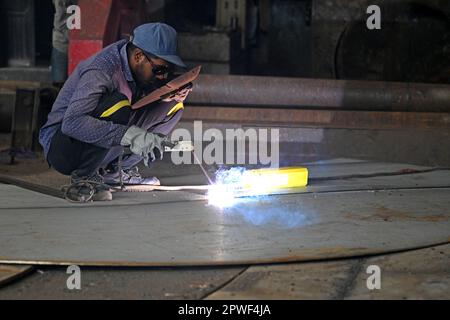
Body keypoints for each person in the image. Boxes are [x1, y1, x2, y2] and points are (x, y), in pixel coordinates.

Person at [39, 23, 192, 202]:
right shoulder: (102, 70)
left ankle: (115, 172)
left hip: (97, 136)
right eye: (159, 70)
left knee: (173, 106)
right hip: (64, 148)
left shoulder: (134, 61)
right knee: (117, 104)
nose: (162, 76)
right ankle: (85, 177)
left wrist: (168, 92)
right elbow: (72, 123)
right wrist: (132, 136)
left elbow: (138, 93)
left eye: (167, 71)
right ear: (138, 56)